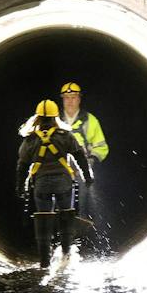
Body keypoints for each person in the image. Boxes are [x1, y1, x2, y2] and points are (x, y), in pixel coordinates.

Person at [16, 99, 93, 269]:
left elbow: (22, 166)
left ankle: (44, 261)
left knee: (43, 218)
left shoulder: (30, 140)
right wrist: (87, 176)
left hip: (41, 185)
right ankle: (66, 256)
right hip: (63, 184)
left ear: (37, 118)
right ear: (55, 117)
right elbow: (80, 156)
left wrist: (20, 186)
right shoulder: (65, 136)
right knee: (66, 215)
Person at [55, 81, 108, 248]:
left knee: (81, 199)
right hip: (60, 168)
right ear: (62, 100)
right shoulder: (54, 121)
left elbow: (101, 146)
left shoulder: (89, 121)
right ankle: (58, 237)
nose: (70, 101)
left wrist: (91, 161)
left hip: (82, 168)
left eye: (73, 97)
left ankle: (80, 239)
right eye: (67, 98)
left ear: (79, 99)